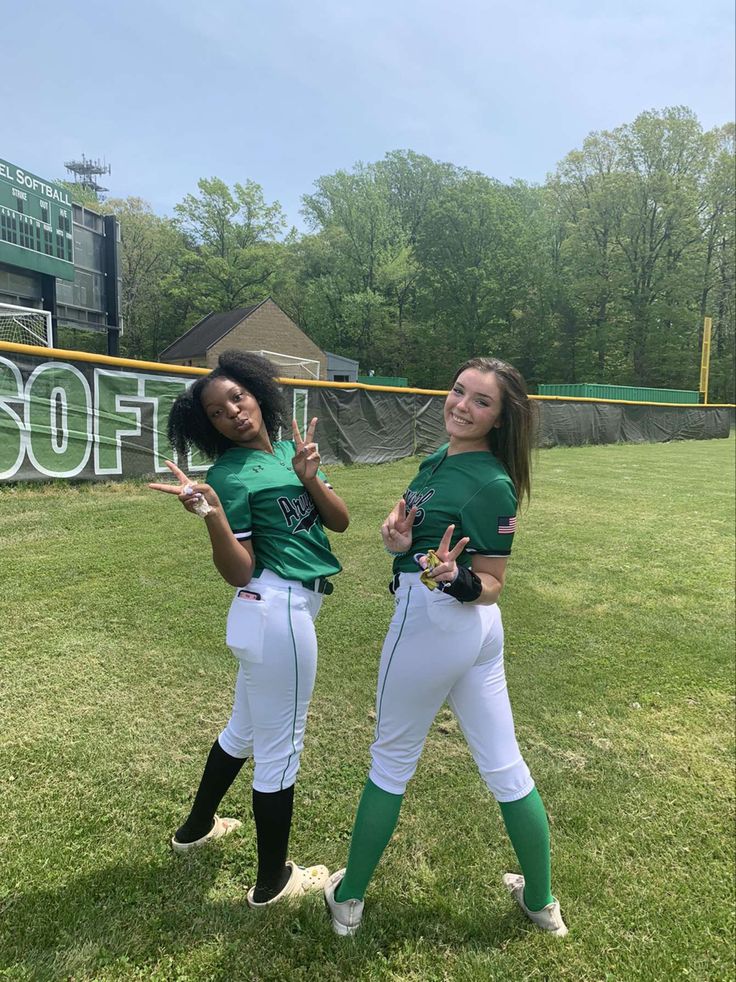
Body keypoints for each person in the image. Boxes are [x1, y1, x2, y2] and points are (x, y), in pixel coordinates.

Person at [324, 356, 568, 937]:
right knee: (504, 766)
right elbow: (412, 536)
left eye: (481, 401)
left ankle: (349, 899)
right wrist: (398, 540)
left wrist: (454, 580)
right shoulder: (439, 458)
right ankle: (541, 903)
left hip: (438, 622)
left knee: (391, 763)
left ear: (501, 419)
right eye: (459, 391)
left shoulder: (490, 481)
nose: (462, 405)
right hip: (465, 633)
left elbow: (491, 583)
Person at [149, 350, 349, 908]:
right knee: (281, 749)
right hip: (273, 611)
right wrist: (213, 515)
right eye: (216, 412)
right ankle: (272, 883)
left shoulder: (291, 451)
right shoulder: (228, 476)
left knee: (243, 729)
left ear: (258, 393)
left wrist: (310, 478)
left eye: (237, 397)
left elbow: (338, 520)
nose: (232, 412)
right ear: (207, 427)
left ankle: (196, 829)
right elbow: (238, 570)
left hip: (280, 616)